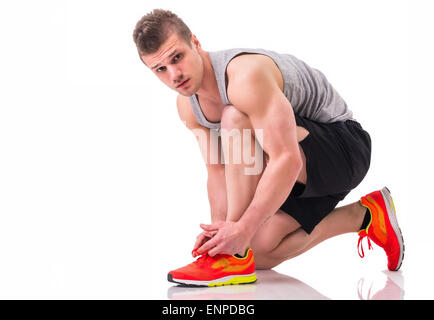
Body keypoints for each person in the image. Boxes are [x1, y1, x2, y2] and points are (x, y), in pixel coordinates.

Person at [133, 9, 404, 287]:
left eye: (177, 58)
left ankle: (234, 257)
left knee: (235, 118)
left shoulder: (244, 75)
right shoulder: (188, 107)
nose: (174, 75)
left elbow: (286, 159)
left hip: (344, 149)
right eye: (160, 69)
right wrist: (221, 236)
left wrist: (242, 229)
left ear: (195, 42)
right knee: (258, 252)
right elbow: (216, 171)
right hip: (296, 162)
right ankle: (367, 214)